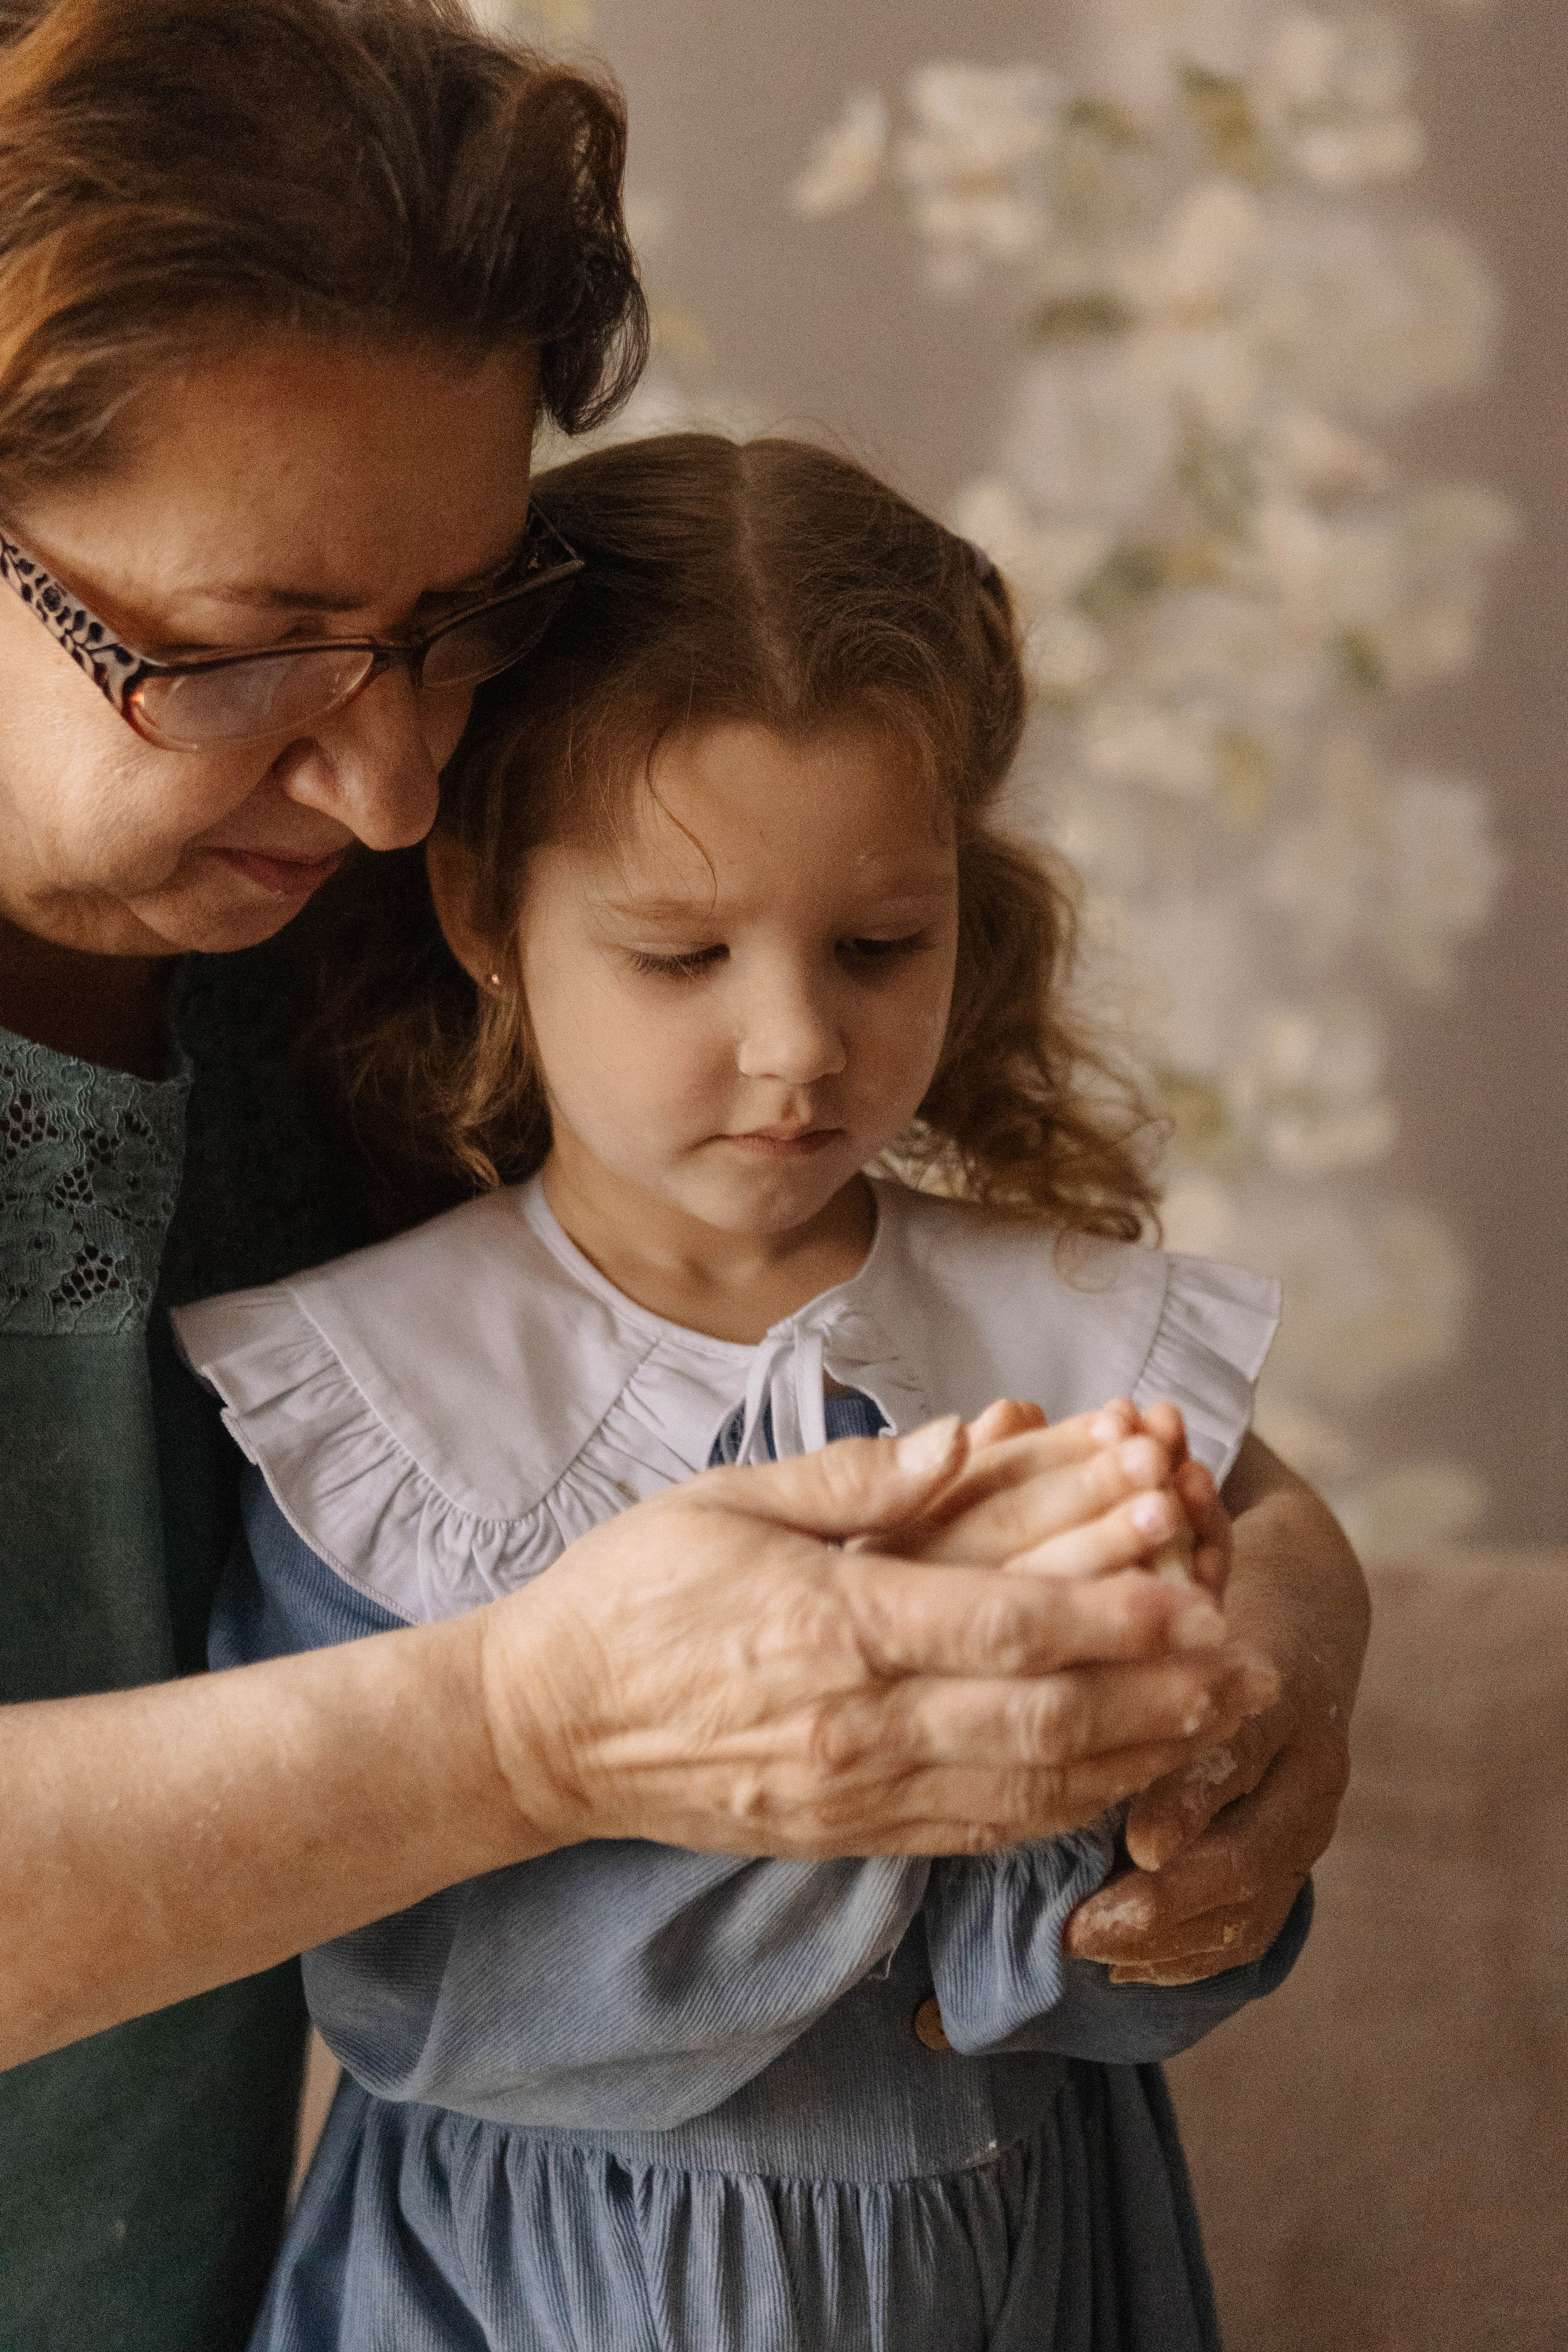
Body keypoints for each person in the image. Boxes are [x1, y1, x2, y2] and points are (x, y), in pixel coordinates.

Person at [0, 4, 1366, 2348]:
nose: (400, 792)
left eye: (449, 637)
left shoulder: (338, 974)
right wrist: (522, 1730)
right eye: (253, 656)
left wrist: (1293, 1625)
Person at [175, 431, 1320, 2351]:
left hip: (1024, 2258)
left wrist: (1159, 1860)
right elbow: (409, 1981)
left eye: (882, 945)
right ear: (483, 917)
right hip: (544, 2278)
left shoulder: (1064, 1346)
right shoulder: (385, 1406)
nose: (796, 1043)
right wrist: (896, 1824)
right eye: (680, 952)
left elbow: (1146, 1951)